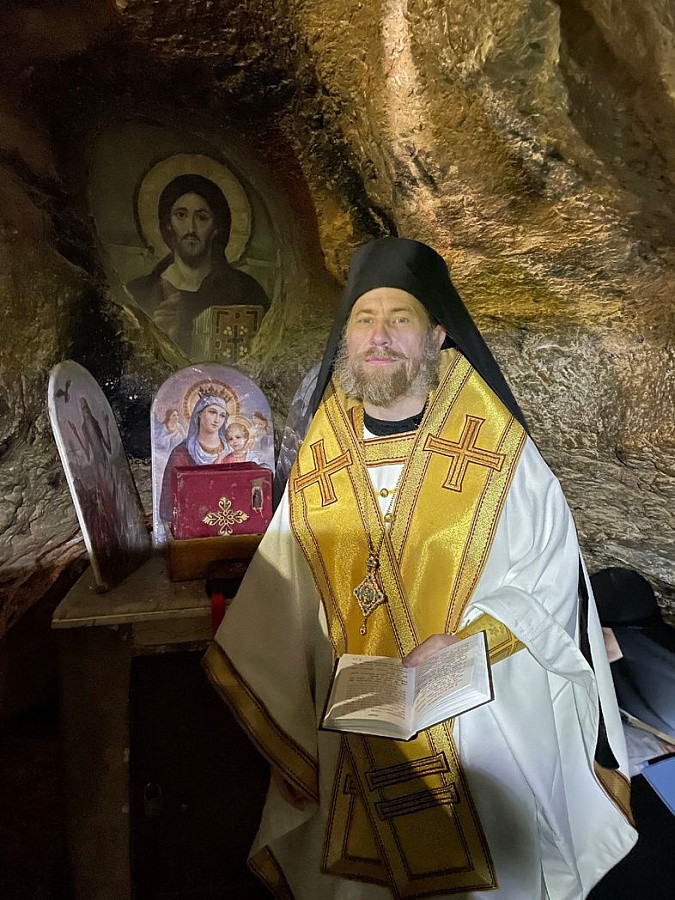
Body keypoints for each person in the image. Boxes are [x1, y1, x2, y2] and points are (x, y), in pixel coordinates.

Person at [203, 238, 637, 899]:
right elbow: (279, 588)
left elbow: (550, 579)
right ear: (346, 339)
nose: (378, 336)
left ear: (436, 337)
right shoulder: (322, 451)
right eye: (364, 319)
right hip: (352, 722)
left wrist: (467, 642)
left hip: (480, 713)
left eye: (399, 319)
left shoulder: (497, 446)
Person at [127, 173, 270, 356]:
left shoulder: (247, 292)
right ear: (168, 224)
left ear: (216, 227)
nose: (191, 229)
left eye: (202, 218)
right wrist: (159, 339)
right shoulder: (140, 292)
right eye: (181, 215)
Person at [159, 393, 230, 523]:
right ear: (199, 413)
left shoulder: (230, 451)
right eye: (212, 412)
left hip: (228, 518)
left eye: (222, 415)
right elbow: (170, 496)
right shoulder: (182, 453)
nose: (217, 420)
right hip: (192, 521)